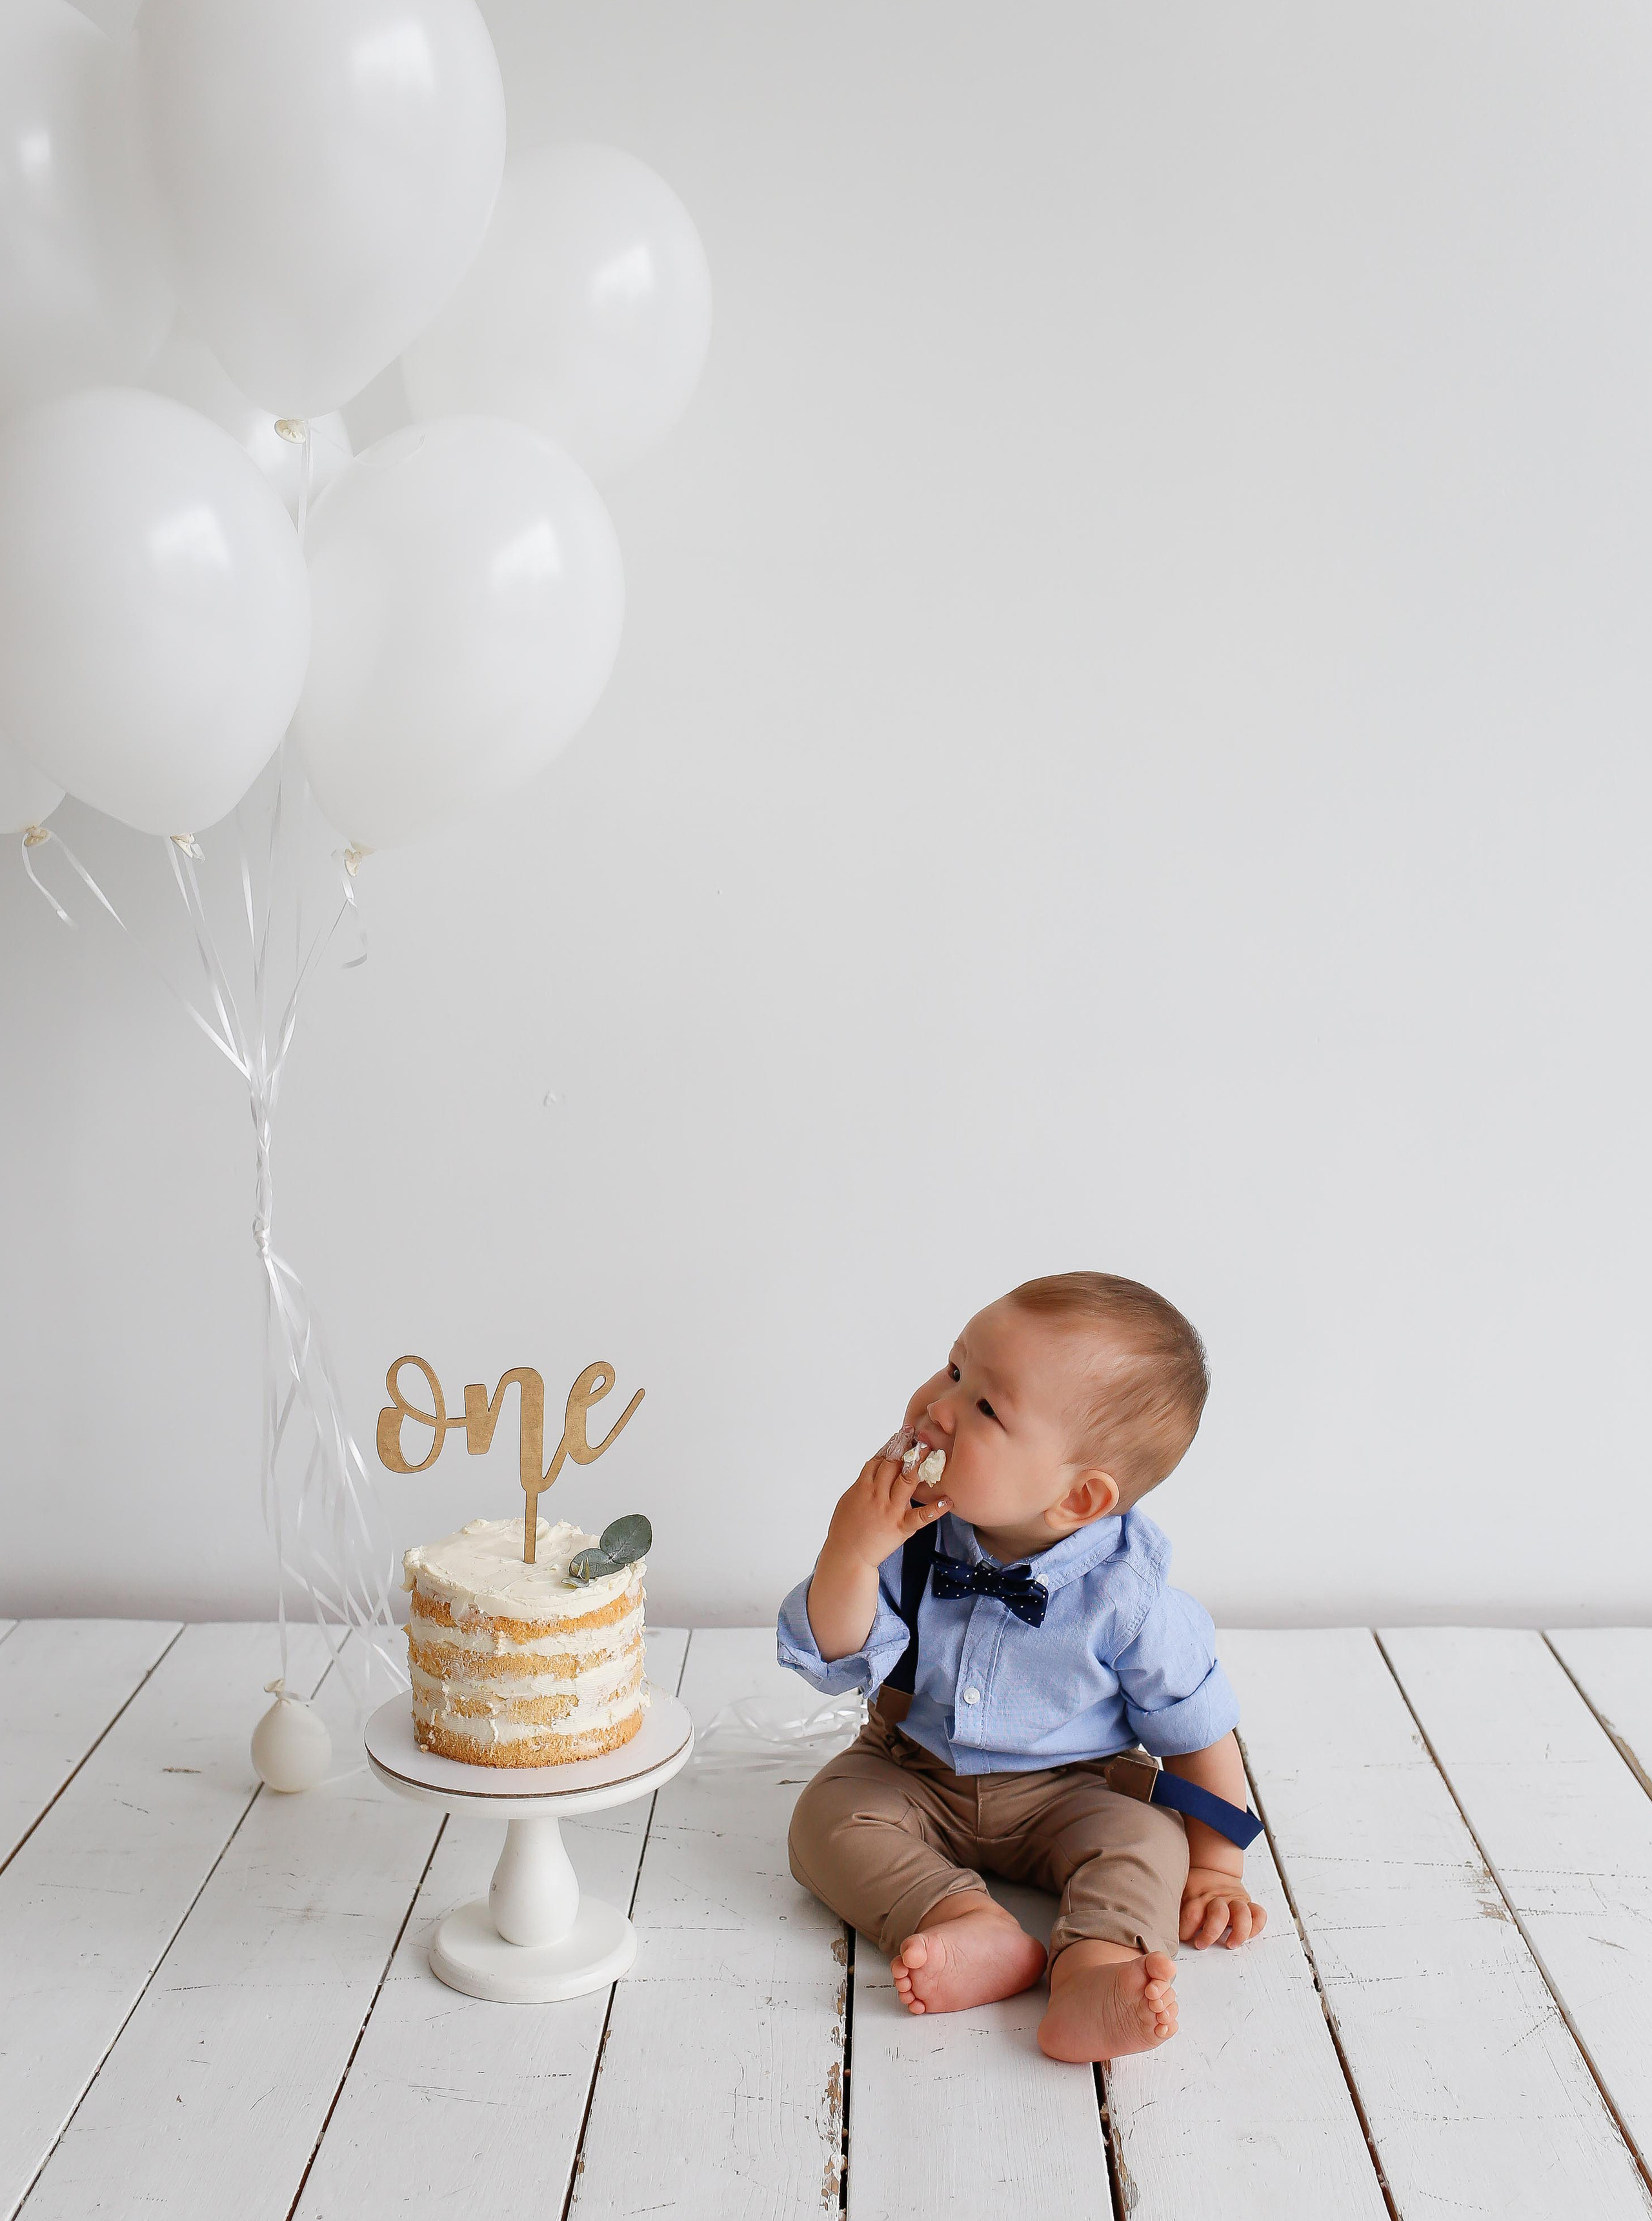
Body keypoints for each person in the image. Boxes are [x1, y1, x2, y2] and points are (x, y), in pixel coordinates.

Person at [776, 1271, 1267, 2063]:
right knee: (823, 1820)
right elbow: (836, 1657)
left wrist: (1216, 1866)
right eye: (955, 1369)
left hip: (1075, 1788)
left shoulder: (1130, 1599)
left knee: (1148, 1844)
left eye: (985, 1407)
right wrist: (852, 1552)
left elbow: (1198, 1730)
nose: (940, 1405)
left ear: (1079, 1499)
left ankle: (1094, 1971)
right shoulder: (904, 1534)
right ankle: (961, 1923)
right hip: (912, 1767)